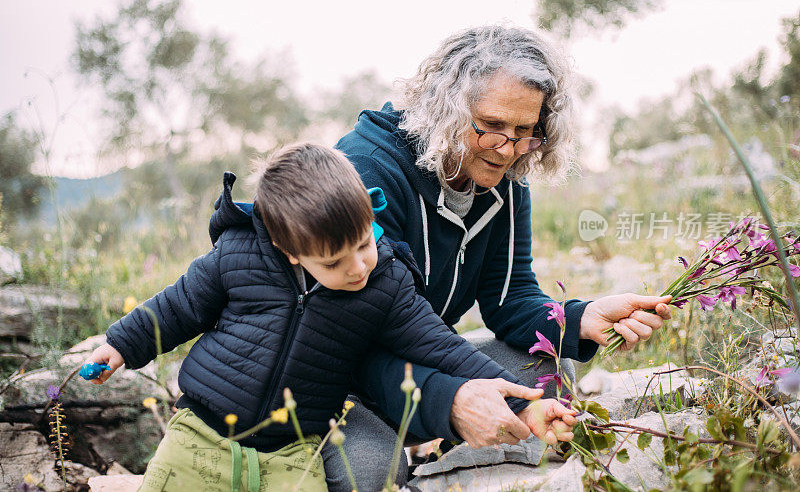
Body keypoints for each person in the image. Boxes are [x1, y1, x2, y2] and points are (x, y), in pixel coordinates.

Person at [85, 142, 577, 491]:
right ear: (289, 249)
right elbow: (176, 307)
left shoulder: (385, 280)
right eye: (335, 262)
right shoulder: (238, 256)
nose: (359, 266)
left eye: (365, 243)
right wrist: (119, 346)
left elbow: (440, 345)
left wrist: (523, 405)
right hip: (202, 431)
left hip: (293, 449)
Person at [331, 25, 673, 490]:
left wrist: (581, 319)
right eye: (490, 127)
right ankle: (404, 444)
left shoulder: (504, 174)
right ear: (444, 109)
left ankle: (440, 449)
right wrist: (453, 400)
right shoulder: (367, 171)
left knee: (547, 367)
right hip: (342, 378)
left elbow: (509, 297)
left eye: (526, 132)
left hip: (424, 371)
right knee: (370, 472)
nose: (507, 150)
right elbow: (367, 337)